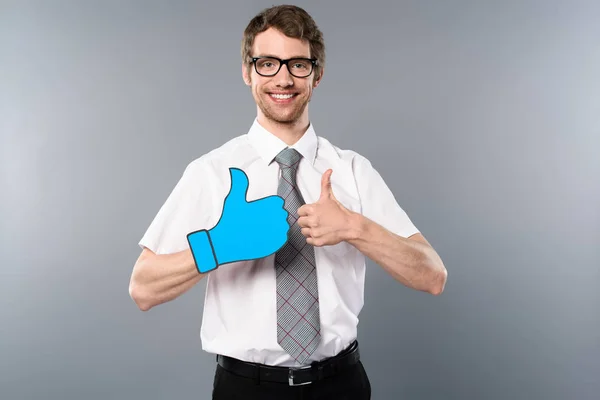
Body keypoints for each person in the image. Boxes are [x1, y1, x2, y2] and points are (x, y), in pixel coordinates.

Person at [129, 4, 447, 399]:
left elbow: (432, 276)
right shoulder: (211, 172)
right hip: (245, 388)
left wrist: (355, 228)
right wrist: (216, 246)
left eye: (298, 64)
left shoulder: (352, 171)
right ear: (247, 72)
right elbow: (142, 288)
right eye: (267, 63)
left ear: (317, 75)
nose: (283, 78)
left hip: (340, 385)